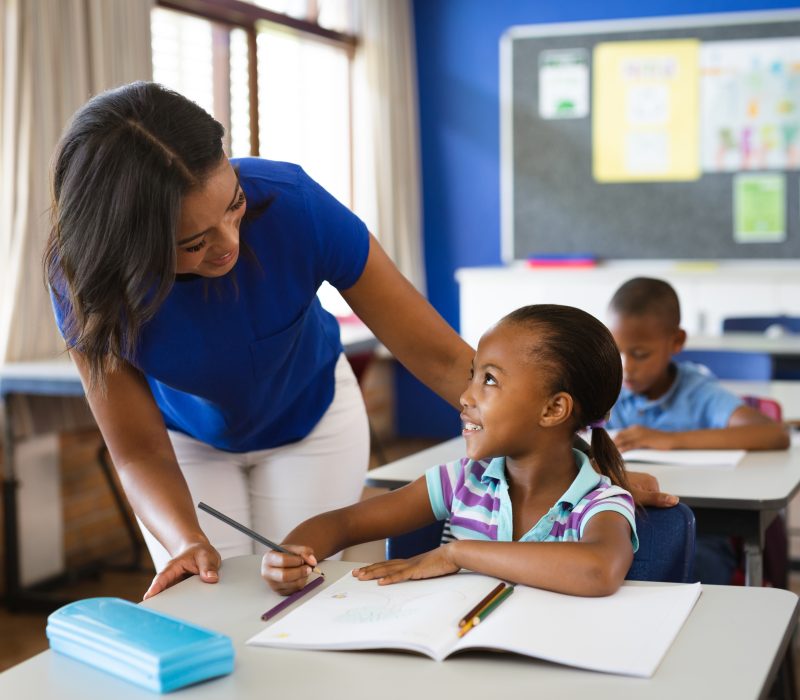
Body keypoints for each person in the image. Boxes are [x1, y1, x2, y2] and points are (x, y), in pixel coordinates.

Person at [45, 82, 670, 601]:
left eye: (232, 205)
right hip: (183, 443)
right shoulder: (86, 282)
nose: (229, 243)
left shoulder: (292, 206)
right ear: (128, 246)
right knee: (213, 597)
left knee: (295, 592)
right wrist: (183, 540)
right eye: (193, 243)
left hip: (312, 419)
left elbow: (442, 357)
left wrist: (576, 465)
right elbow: (136, 451)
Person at [263, 304, 639, 597]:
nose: (465, 395)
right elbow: (344, 524)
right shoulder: (461, 482)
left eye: (489, 379)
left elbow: (598, 570)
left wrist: (458, 553)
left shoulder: (599, 502)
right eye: (472, 374)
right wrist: (292, 554)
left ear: (553, 409)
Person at [606, 277, 789, 584]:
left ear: (676, 342)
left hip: (702, 529)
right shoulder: (609, 388)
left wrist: (669, 440)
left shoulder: (696, 392)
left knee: (691, 568)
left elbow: (774, 434)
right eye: (616, 351)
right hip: (622, 523)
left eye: (640, 354)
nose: (627, 367)